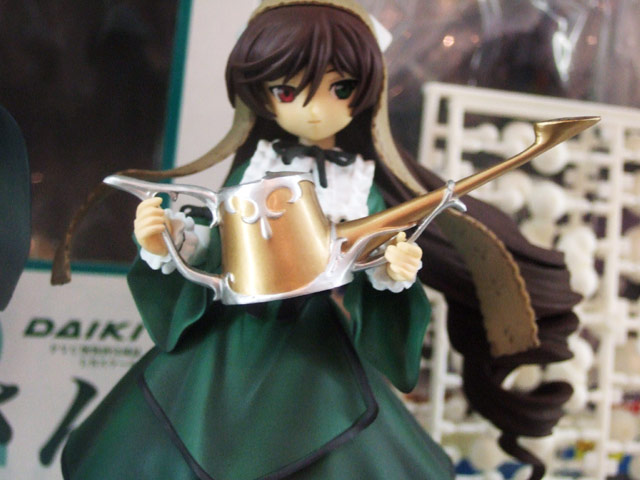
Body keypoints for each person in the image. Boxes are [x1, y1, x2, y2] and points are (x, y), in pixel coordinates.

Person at [57, 1, 579, 479]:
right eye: (287, 92)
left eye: (340, 88)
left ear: (366, 90)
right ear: (260, 94)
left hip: (315, 349)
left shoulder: (360, 185)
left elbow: (371, 258)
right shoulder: (256, 168)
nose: (313, 109)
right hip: (229, 343)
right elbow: (220, 248)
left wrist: (390, 271)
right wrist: (168, 243)